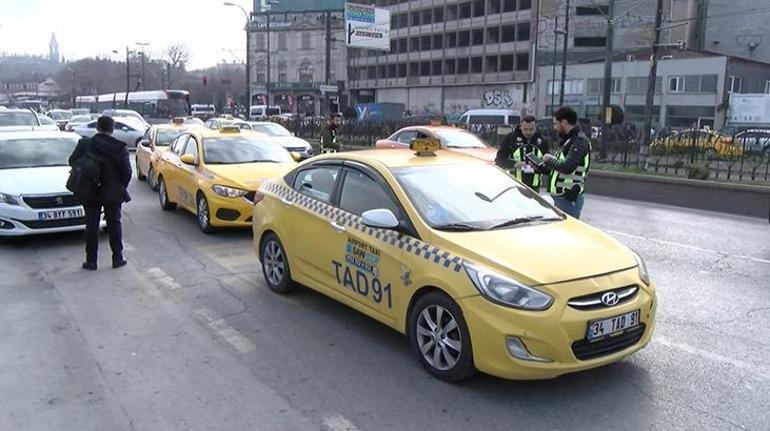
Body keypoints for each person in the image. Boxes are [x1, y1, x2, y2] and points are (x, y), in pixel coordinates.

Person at [68, 116, 132, 270]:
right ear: (112, 128)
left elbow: (72, 161)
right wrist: (119, 186)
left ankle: (91, 261)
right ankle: (117, 258)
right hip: (112, 192)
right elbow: (127, 172)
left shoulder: (85, 144)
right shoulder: (119, 147)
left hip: (90, 190)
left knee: (91, 226)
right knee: (114, 224)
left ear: (97, 127)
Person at [541, 106, 591, 219]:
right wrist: (542, 167)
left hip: (568, 198)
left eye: (556, 123)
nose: (554, 127)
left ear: (564, 122)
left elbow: (568, 167)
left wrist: (549, 159)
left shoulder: (579, 141)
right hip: (561, 197)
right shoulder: (568, 140)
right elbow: (558, 167)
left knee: (568, 233)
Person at [495, 115, 549, 190]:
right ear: (520, 127)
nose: (528, 132)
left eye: (531, 129)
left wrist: (538, 165)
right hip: (515, 186)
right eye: (525, 129)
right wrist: (514, 163)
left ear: (536, 127)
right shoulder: (511, 138)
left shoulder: (543, 140)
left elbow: (547, 168)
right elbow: (499, 159)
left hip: (535, 188)